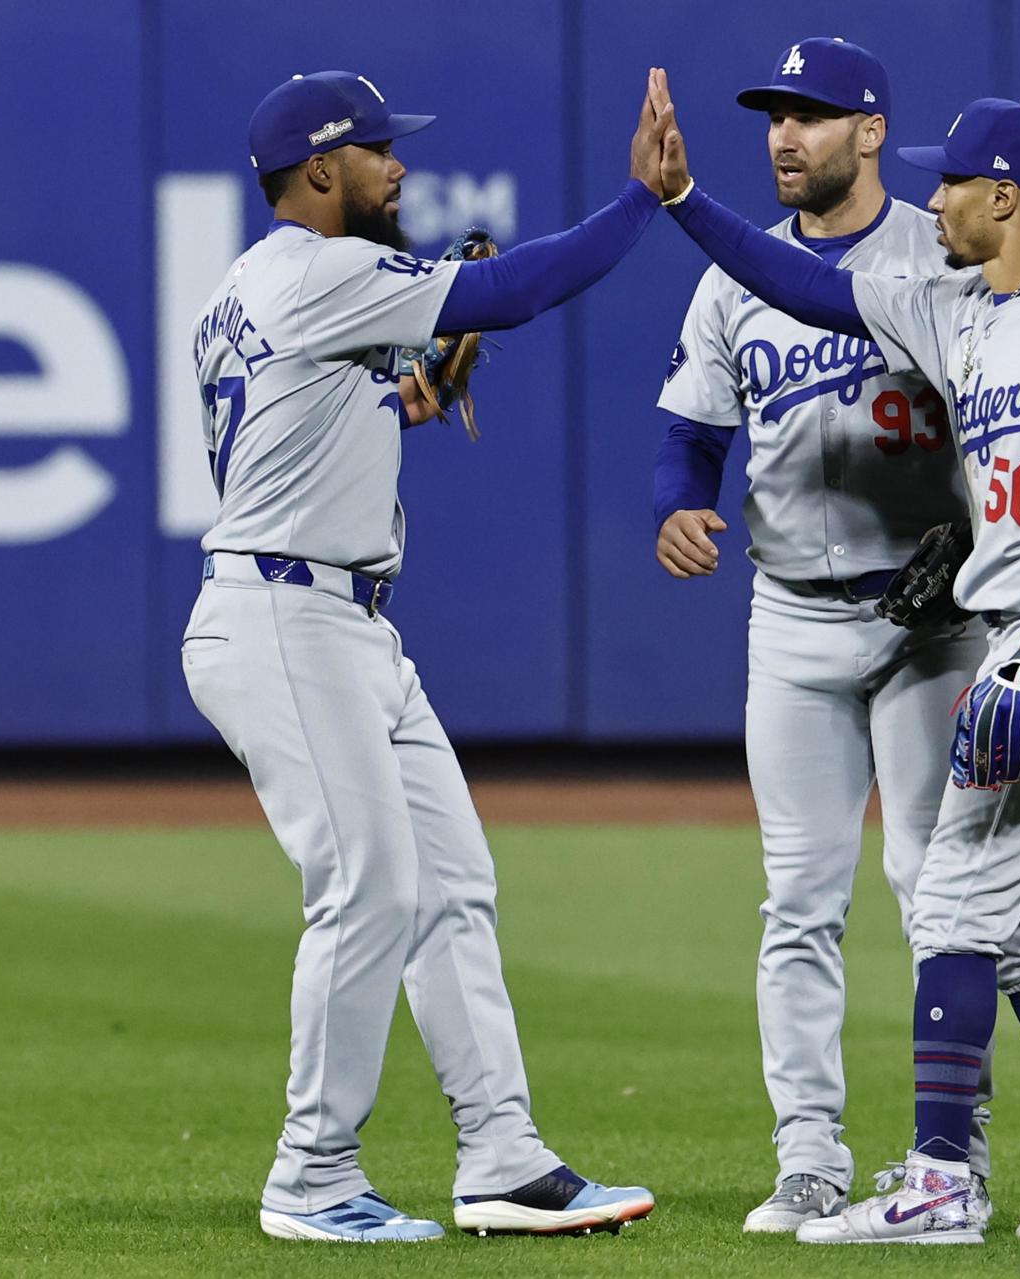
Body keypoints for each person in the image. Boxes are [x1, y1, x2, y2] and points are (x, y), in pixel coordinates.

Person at [650, 82, 1020, 1245]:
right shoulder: (963, 311)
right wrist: (687, 202)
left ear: (1005, 197)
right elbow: (806, 284)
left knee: (949, 896)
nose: (935, 196)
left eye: (954, 181)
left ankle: (941, 1177)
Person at [181, 68, 677, 1243]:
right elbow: (511, 289)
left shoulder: (253, 289)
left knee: (452, 885)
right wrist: (638, 204)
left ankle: (503, 1156)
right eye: (377, 152)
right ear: (319, 172)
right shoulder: (320, 270)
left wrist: (406, 395)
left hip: (340, 620)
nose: (399, 166)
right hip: (285, 616)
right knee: (368, 888)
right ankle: (312, 1175)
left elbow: (316, 417)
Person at [650, 38, 986, 1235]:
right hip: (789, 616)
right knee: (799, 899)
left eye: (813, 114)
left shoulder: (940, 254)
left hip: (929, 622)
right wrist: (675, 504)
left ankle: (947, 1153)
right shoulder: (731, 279)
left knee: (930, 888)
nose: (786, 136)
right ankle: (809, 1154)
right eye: (775, 117)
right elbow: (690, 432)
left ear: (874, 130)